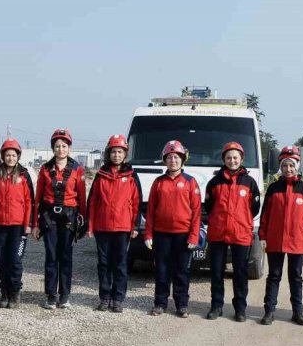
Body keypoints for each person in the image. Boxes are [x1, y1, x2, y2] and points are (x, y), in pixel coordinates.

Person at [258, 146, 303, 326]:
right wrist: (262, 235)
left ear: (297, 166)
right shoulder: (273, 188)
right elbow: (265, 214)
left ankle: (297, 313)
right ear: (281, 167)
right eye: (285, 166)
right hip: (275, 239)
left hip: (297, 240)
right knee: (274, 275)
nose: (288, 169)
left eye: (291, 165)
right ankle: (269, 311)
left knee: (296, 276)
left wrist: (299, 226)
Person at [204, 141, 261, 322]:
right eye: (228, 157)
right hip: (218, 233)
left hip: (240, 234)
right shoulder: (214, 182)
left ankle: (240, 309)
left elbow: (255, 207)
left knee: (240, 273)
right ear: (224, 159)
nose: (232, 160)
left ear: (241, 159)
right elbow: (209, 206)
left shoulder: (249, 183)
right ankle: (216, 306)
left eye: (235, 157)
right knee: (217, 272)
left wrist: (241, 221)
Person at [145, 140, 201, 318]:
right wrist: (148, 233)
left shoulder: (190, 182)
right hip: (161, 235)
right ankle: (160, 303)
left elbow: (196, 212)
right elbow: (151, 210)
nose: (173, 161)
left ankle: (181, 305)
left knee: (181, 271)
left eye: (176, 157)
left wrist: (194, 236)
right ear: (165, 160)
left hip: (183, 236)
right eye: (169, 157)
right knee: (161, 270)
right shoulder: (158, 182)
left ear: (182, 159)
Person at [85, 134, 141, 313]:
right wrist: (90, 226)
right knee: (103, 264)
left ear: (125, 154)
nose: (116, 155)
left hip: (123, 228)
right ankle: (104, 297)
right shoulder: (100, 175)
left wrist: (134, 227)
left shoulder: (132, 176)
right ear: (108, 154)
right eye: (113, 151)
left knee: (120, 264)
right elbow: (92, 201)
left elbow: (137, 202)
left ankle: (118, 298)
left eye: (120, 152)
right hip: (102, 227)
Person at [33, 129, 87, 309]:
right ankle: (51, 295)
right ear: (53, 148)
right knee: (51, 256)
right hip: (49, 217)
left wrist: (84, 222)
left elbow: (82, 198)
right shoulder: (45, 169)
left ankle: (64, 295)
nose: (61, 149)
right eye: (57, 146)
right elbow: (37, 198)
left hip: (69, 217)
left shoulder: (77, 169)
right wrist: (35, 223)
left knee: (65, 256)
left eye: (64, 146)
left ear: (69, 148)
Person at [0, 138, 34, 309]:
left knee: (15, 260)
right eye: (7, 155)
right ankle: (4, 292)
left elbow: (29, 202)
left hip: (17, 226)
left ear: (18, 156)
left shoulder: (24, 176)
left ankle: (15, 292)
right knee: (2, 260)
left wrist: (28, 224)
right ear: (3, 156)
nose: (10, 158)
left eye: (13, 155)